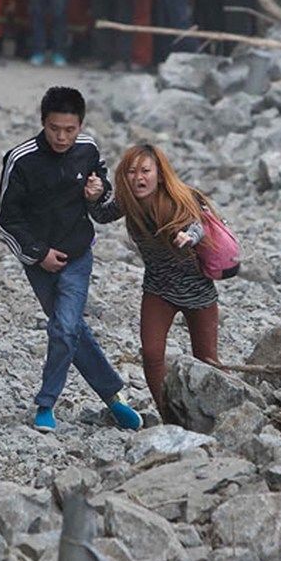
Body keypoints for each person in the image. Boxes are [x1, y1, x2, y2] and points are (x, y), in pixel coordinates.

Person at [0, 86, 143, 434]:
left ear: (80, 126)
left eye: (69, 130)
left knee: (63, 327)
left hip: (79, 254)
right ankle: (113, 397)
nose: (62, 137)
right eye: (54, 129)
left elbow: (101, 188)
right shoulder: (20, 159)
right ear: (43, 123)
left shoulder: (88, 148)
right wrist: (38, 254)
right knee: (71, 328)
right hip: (39, 261)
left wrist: (99, 192)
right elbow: (7, 220)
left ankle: (46, 404)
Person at [95, 143, 220, 418]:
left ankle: (214, 415)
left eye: (145, 171)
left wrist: (190, 237)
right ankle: (169, 415)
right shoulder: (128, 202)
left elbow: (197, 223)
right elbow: (101, 215)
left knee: (208, 361)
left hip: (197, 289)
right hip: (158, 288)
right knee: (152, 355)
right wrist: (93, 196)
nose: (139, 177)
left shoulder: (180, 197)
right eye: (132, 171)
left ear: (160, 174)